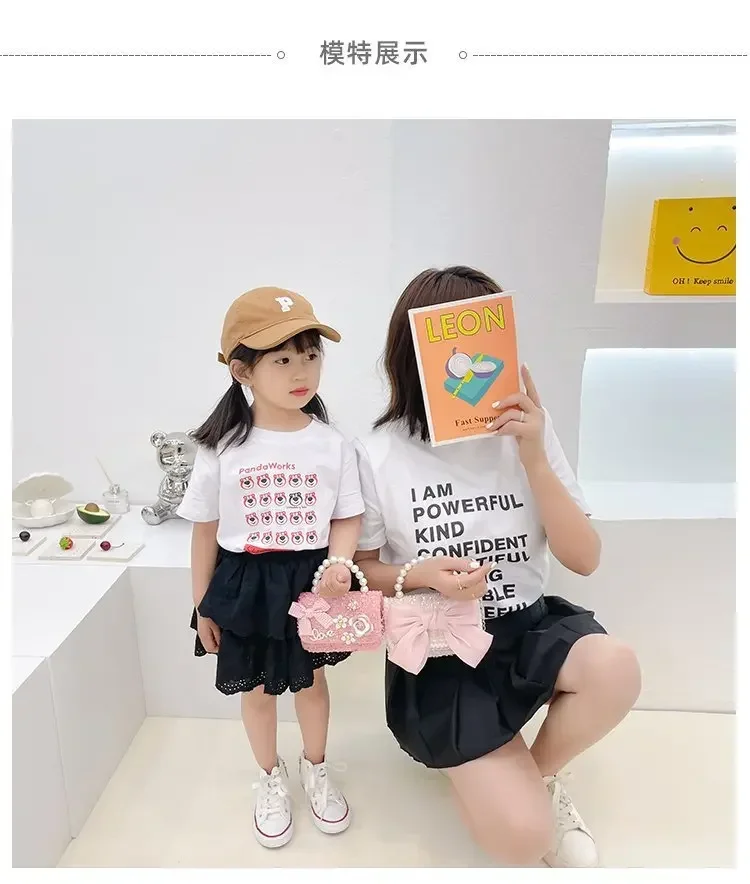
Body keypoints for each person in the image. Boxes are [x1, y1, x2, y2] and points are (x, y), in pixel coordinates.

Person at [353, 266, 641, 868]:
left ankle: (536, 778)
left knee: (615, 668)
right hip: (443, 652)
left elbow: (584, 558)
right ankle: (511, 788)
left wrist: (533, 455)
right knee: (524, 842)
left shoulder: (529, 431)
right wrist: (422, 575)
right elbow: (362, 571)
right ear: (413, 355)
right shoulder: (378, 453)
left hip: (526, 630)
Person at [177, 287, 364, 849]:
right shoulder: (221, 447)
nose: (301, 371)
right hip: (246, 584)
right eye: (282, 360)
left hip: (310, 583)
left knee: (312, 682)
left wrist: (339, 564)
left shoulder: (333, 444)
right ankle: (269, 777)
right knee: (257, 689)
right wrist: (202, 605)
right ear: (243, 371)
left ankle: (316, 768)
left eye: (311, 355)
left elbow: (347, 515)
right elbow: (205, 531)